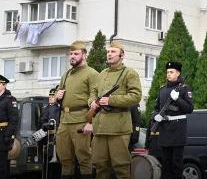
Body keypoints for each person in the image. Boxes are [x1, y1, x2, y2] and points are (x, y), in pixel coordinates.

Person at [89, 41, 142, 179]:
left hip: (118, 128)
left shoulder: (129, 73)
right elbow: (93, 92)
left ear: (122, 55)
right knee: (100, 166)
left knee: (121, 167)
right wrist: (92, 102)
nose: (109, 54)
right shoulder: (102, 74)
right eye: (108, 52)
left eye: (113, 51)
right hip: (100, 127)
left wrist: (112, 100)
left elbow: (136, 96)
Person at [55, 40, 99, 179]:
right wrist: (57, 95)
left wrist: (90, 122)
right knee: (65, 158)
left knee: (84, 158)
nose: (72, 56)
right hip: (64, 120)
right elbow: (58, 91)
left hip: (81, 120)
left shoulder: (92, 73)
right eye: (71, 54)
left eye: (76, 53)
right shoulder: (67, 74)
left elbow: (95, 97)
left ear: (84, 55)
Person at [151, 61, 194, 179]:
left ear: (178, 73)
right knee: (165, 164)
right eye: (167, 72)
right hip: (165, 130)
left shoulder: (184, 89)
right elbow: (156, 108)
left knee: (176, 164)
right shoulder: (162, 89)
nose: (168, 74)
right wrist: (155, 116)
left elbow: (189, 109)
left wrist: (178, 99)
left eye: (171, 72)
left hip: (177, 131)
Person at [36, 87, 61, 179]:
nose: (50, 98)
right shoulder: (45, 108)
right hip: (47, 137)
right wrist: (44, 125)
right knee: (46, 162)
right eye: (49, 96)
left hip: (57, 137)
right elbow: (40, 122)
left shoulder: (59, 108)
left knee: (58, 163)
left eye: (52, 96)